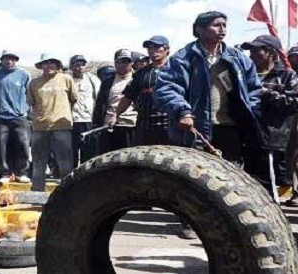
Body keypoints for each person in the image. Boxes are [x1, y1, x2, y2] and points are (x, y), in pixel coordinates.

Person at [154, 11, 263, 239]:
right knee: (192, 177)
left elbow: (254, 89)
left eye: (224, 24)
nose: (222, 29)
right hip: (194, 128)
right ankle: (189, 222)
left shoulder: (237, 57)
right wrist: (182, 110)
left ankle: (228, 222)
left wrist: (250, 112)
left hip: (230, 127)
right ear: (200, 30)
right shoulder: (184, 57)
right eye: (216, 25)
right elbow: (166, 88)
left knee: (230, 176)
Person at [242, 35, 298, 204]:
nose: (251, 55)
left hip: (272, 140)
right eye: (250, 51)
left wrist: (268, 94)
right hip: (249, 138)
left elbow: (294, 103)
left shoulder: (288, 76)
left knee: (271, 190)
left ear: (271, 53)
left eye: (257, 51)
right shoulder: (246, 75)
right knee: (251, 185)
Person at [28, 53, 78, 191]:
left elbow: (73, 99)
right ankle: (37, 193)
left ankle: (68, 194)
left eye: (51, 62)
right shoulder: (34, 83)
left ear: (57, 65)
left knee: (65, 164)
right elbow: (32, 103)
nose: (48, 66)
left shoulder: (66, 79)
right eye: (45, 63)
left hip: (61, 127)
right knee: (38, 165)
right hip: (39, 128)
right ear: (41, 66)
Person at [113, 35, 170, 146]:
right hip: (145, 127)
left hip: (170, 126)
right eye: (150, 48)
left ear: (167, 49)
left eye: (157, 47)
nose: (153, 50)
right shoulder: (141, 73)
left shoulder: (177, 70)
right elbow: (128, 97)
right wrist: (116, 115)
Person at [0, 50, 31, 183]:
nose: (9, 61)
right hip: (1, 116)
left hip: (20, 116)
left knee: (23, 144)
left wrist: (26, 111)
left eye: (12, 59)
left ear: (16, 60)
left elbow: (30, 94)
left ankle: (22, 172)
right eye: (6, 59)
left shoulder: (24, 74)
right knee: (2, 146)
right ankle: (4, 173)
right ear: (1, 60)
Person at [93, 49, 137, 154]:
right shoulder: (107, 82)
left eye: (126, 61)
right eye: (119, 61)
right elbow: (100, 104)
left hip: (131, 126)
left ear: (131, 63)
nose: (122, 64)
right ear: (115, 62)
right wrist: (96, 123)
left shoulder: (138, 79)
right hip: (109, 127)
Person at [69, 54, 101, 167]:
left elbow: (99, 99)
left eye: (83, 65)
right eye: (77, 65)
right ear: (71, 67)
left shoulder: (93, 79)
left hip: (88, 120)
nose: (80, 67)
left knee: (88, 151)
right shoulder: (67, 80)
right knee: (71, 151)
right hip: (71, 121)